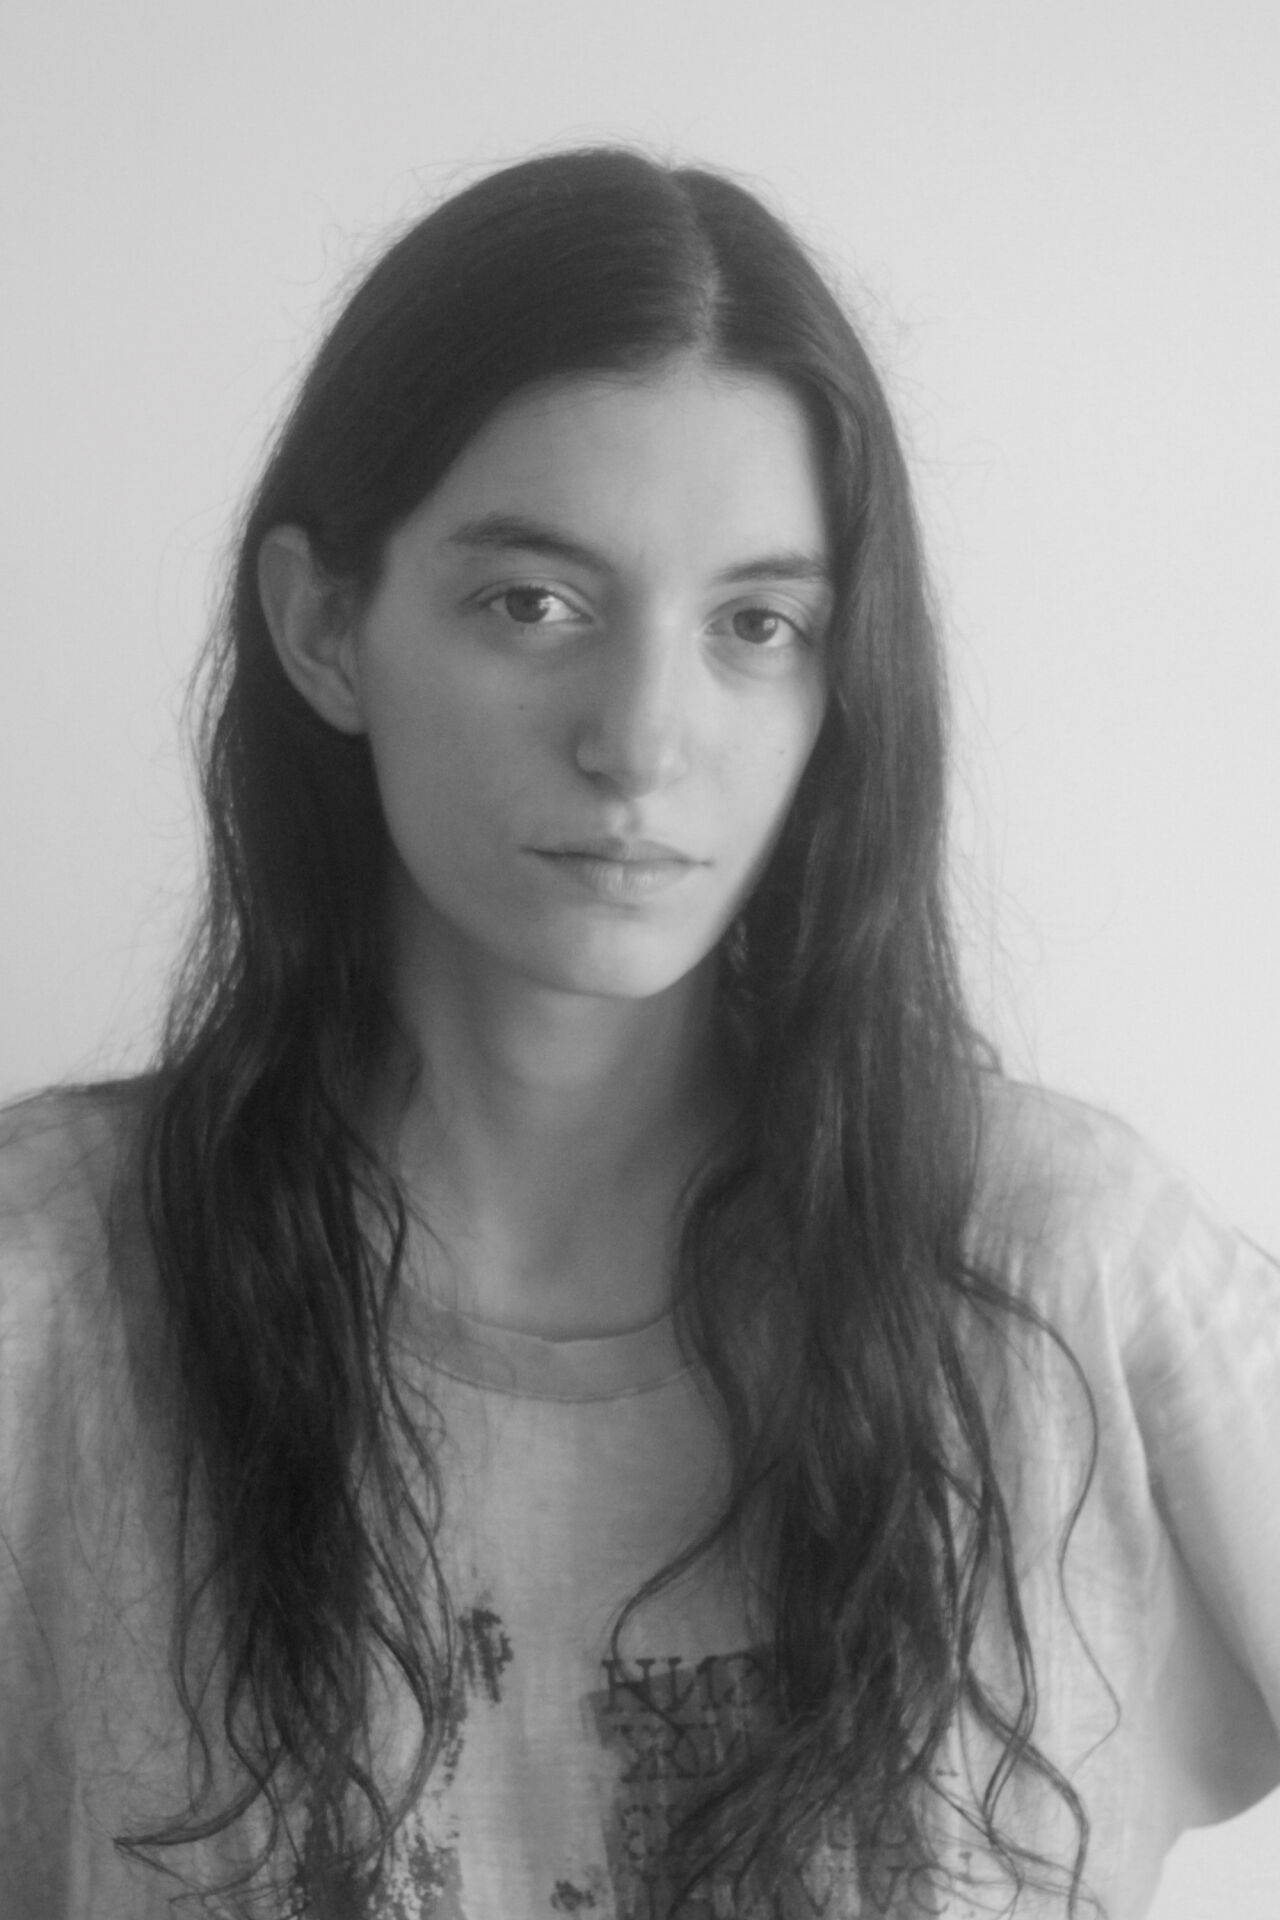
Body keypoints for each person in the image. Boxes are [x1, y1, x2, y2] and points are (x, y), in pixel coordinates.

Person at [0, 147, 1277, 1920]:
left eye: (758, 624)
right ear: (325, 626)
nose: (644, 737)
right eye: (534, 604)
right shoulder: (52, 1290)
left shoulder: (1070, 1269)